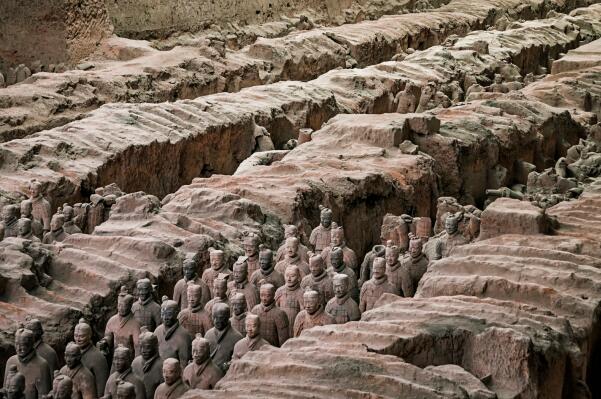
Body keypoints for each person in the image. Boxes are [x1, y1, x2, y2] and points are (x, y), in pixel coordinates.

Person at [4, 328, 52, 399]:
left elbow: (44, 396)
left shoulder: (42, 365)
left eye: (23, 345)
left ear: (31, 344)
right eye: (16, 344)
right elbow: (5, 392)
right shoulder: (11, 361)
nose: (18, 348)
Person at [204, 303, 243, 373]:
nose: (216, 321)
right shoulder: (208, 334)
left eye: (220, 318)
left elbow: (239, 363)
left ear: (227, 317)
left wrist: (228, 365)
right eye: (214, 317)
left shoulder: (237, 338)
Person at [74, 319, 109, 396]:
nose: (78, 339)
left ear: (89, 336)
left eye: (81, 336)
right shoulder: (72, 353)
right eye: (76, 336)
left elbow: (101, 390)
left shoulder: (98, 358)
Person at [154, 297, 192, 366]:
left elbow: (184, 364)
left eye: (169, 314)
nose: (165, 317)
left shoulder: (184, 335)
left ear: (176, 313)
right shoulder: (157, 331)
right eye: (163, 314)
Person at [104, 287, 141, 356]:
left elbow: (137, 347)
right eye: (119, 305)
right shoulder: (112, 320)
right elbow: (108, 337)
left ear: (130, 306)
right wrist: (105, 342)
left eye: (124, 306)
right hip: (115, 358)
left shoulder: (135, 324)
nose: (120, 308)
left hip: (129, 359)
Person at [131, 330, 163, 399]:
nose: (143, 351)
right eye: (141, 347)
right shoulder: (135, 362)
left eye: (147, 347)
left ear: (155, 347)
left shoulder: (162, 365)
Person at [274, 267, 304, 337]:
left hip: (294, 326)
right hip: (281, 326)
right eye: (287, 276)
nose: (289, 279)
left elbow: (303, 313)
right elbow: (275, 309)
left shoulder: (301, 292)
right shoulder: (279, 291)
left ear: (299, 277)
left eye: (293, 276)